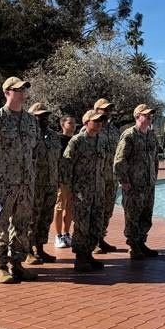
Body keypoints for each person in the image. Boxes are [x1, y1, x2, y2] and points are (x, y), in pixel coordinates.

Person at [0, 77, 39, 284]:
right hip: (1, 184)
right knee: (0, 224)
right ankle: (1, 266)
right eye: (18, 90)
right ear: (7, 92)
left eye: (23, 90)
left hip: (25, 184)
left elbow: (34, 150)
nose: (22, 93)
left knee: (21, 225)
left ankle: (17, 264)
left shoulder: (30, 121)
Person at [61, 110, 109, 272]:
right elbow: (66, 165)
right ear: (86, 122)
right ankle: (80, 258)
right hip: (82, 192)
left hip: (98, 190)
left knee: (96, 224)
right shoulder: (77, 141)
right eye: (95, 121)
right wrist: (68, 190)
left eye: (101, 121)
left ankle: (88, 253)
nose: (99, 123)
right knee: (82, 225)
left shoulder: (102, 140)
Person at [113, 104, 160, 260]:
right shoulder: (129, 135)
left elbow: (155, 159)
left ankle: (141, 242)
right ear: (137, 116)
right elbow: (119, 160)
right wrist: (124, 181)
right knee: (133, 215)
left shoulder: (151, 135)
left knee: (146, 215)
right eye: (146, 115)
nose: (149, 117)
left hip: (148, 183)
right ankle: (133, 246)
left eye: (150, 115)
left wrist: (154, 176)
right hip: (133, 184)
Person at [25, 102, 61, 265]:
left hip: (51, 183)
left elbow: (58, 159)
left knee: (45, 218)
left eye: (46, 116)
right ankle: (28, 250)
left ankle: (40, 248)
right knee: (32, 218)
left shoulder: (54, 136)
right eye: (40, 116)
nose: (44, 119)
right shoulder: (27, 134)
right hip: (33, 184)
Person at [93, 98, 121, 254]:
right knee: (96, 209)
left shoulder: (114, 130)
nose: (107, 113)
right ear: (97, 110)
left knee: (107, 210)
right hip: (98, 178)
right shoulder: (92, 129)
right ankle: (93, 241)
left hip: (111, 178)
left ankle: (101, 237)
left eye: (109, 110)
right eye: (104, 110)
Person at [53, 115, 76, 249]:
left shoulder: (76, 140)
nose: (73, 125)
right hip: (61, 178)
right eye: (70, 122)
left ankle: (67, 234)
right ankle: (58, 235)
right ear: (63, 125)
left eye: (74, 123)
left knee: (70, 207)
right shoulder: (58, 139)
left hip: (73, 179)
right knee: (60, 206)